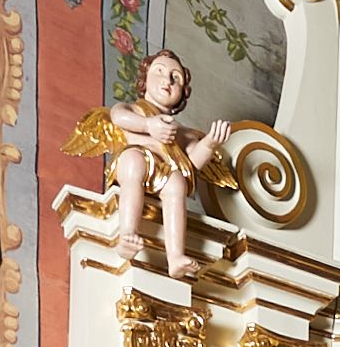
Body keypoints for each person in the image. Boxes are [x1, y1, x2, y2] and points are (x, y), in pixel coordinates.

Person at [64, 49, 235, 279]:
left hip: (163, 174)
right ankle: (128, 233)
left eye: (176, 77)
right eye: (160, 72)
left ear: (183, 93)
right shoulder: (133, 110)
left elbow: (191, 165)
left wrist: (210, 144)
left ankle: (175, 257)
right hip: (134, 164)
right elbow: (118, 118)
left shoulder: (182, 133)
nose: (167, 80)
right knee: (134, 161)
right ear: (144, 81)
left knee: (177, 182)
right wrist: (148, 125)